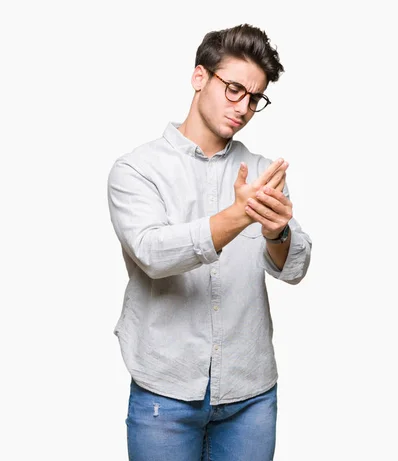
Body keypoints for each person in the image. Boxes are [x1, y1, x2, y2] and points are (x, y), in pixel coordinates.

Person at [106, 23, 312, 461]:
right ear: (200, 77)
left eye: (255, 98)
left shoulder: (261, 172)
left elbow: (293, 268)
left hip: (250, 393)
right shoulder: (136, 170)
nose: (243, 107)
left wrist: (277, 231)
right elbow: (154, 253)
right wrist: (240, 215)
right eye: (234, 89)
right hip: (166, 391)